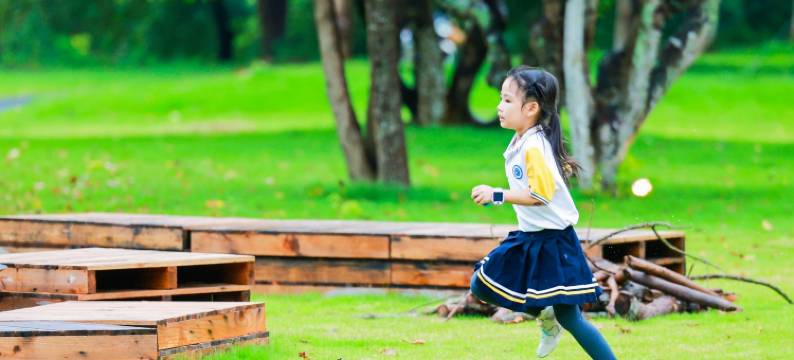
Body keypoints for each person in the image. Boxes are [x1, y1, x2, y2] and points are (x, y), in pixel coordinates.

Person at [469, 66, 617, 359]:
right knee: (482, 284)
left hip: (555, 242)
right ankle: (546, 315)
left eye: (507, 100)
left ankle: (555, 320)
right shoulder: (524, 140)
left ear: (531, 108)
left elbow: (540, 194)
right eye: (501, 98)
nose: (499, 107)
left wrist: (497, 194)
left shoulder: (533, 146)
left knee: (571, 318)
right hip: (530, 237)